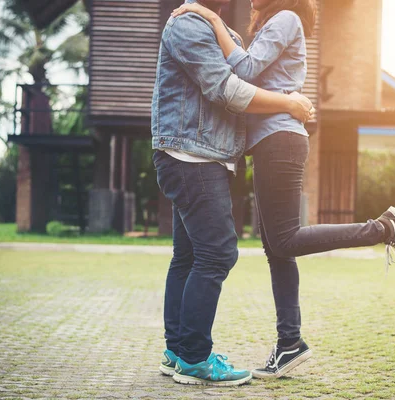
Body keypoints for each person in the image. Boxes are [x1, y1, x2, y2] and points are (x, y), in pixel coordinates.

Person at [171, 0, 395, 380]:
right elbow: (246, 73)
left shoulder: (286, 19)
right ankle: (289, 343)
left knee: (285, 240)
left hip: (280, 140)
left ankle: (383, 228)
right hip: (270, 142)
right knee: (276, 249)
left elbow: (243, 68)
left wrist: (211, 18)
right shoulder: (274, 24)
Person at [152, 0, 315, 387]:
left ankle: (177, 352)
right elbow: (226, 89)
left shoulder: (226, 34)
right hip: (192, 156)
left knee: (189, 256)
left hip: (204, 156)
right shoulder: (189, 25)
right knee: (218, 253)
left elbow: (244, 78)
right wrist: (289, 102)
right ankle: (194, 359)